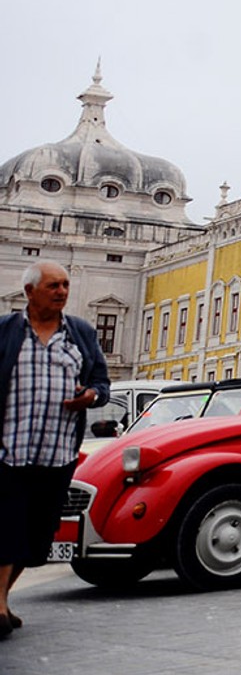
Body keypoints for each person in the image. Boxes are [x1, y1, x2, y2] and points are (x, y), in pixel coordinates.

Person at [1, 260, 111, 637]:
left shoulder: (79, 333)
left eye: (65, 285)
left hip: (57, 451)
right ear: (30, 292)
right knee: (7, 528)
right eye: (53, 286)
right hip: (8, 449)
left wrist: (92, 395)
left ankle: (2, 598)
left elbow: (100, 380)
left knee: (36, 538)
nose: (62, 291)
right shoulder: (5, 332)